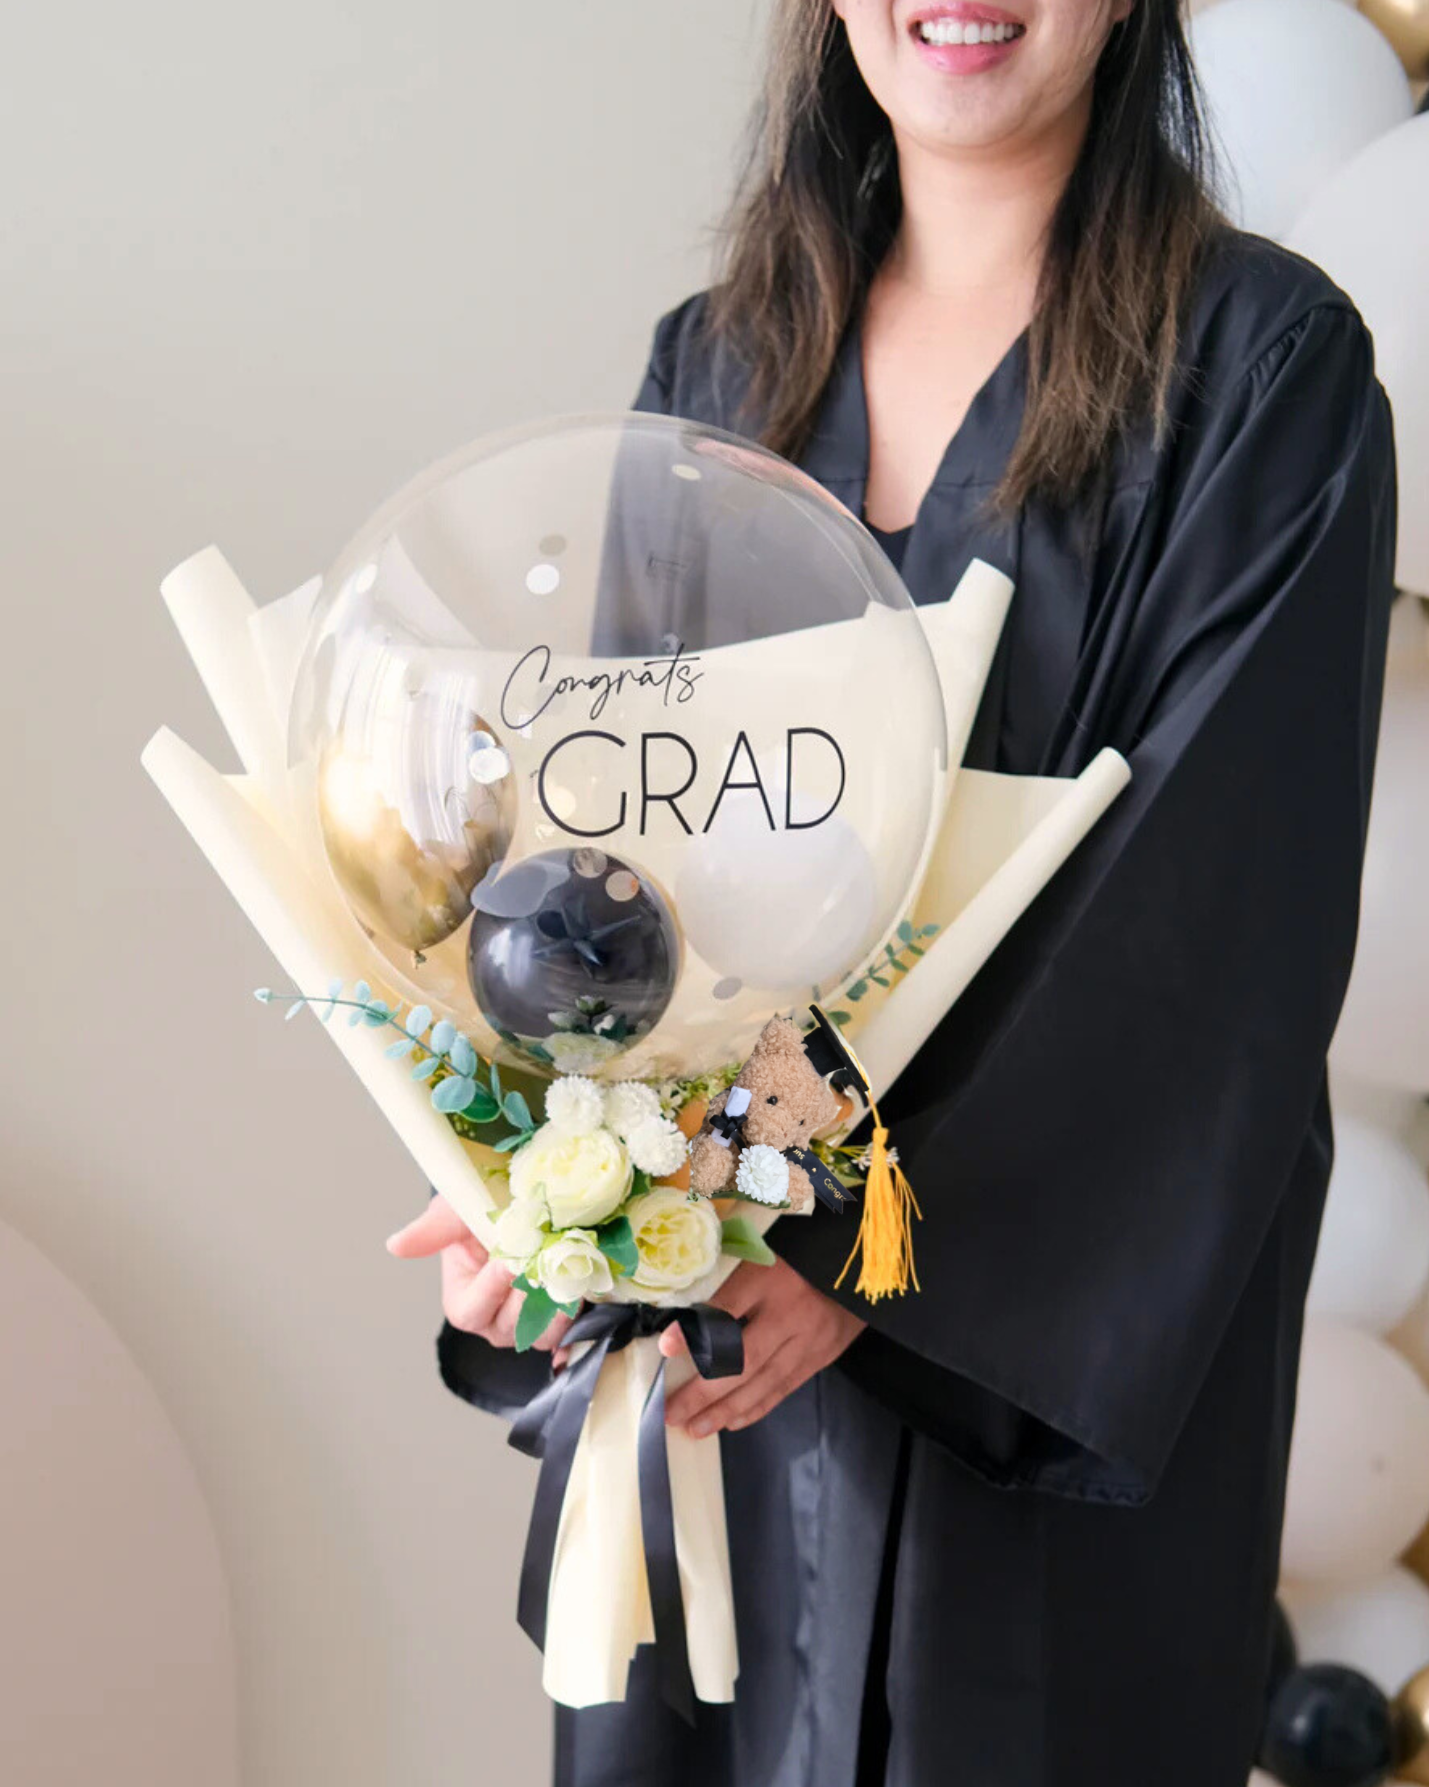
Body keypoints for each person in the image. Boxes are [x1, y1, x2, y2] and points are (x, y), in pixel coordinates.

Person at [386, 0, 1399, 1781]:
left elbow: (1212, 931)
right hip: (707, 1355)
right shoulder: (715, 371)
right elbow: (624, 891)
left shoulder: (1261, 374)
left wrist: (873, 1247)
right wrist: (544, 1191)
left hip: (1032, 1388)